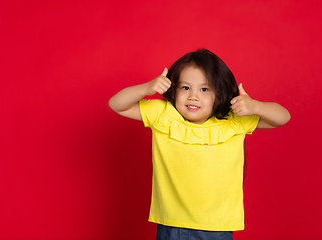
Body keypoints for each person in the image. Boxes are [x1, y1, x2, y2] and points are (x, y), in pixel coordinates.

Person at [109, 49, 290, 240]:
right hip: (172, 224)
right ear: (174, 89)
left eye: (204, 89)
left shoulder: (234, 120)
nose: (193, 96)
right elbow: (117, 104)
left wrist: (255, 106)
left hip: (218, 226)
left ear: (220, 92)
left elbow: (282, 117)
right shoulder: (163, 115)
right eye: (185, 88)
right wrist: (146, 88)